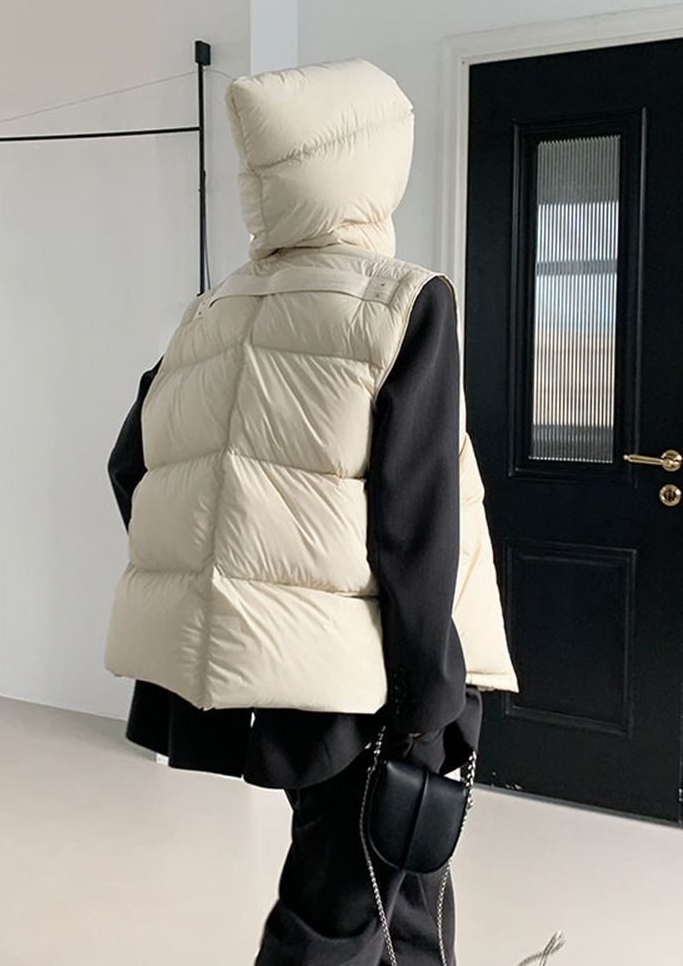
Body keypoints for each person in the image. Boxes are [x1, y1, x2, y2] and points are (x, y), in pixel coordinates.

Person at [103, 57, 519, 966]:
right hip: (384, 668)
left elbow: (132, 466)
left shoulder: (210, 313)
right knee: (337, 912)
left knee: (399, 875)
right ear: (372, 161)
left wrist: (242, 580)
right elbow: (414, 519)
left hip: (283, 670)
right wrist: (428, 697)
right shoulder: (405, 299)